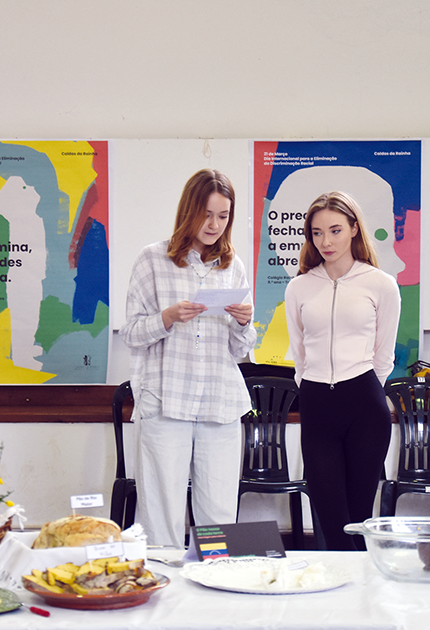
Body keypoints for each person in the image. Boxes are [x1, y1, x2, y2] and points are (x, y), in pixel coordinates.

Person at [121, 169, 257, 547]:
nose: (214, 225)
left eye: (223, 216)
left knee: (219, 513)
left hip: (220, 401)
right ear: (189, 211)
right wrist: (166, 318)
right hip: (167, 400)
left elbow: (239, 350)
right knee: (160, 510)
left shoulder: (233, 266)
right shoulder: (152, 259)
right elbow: (130, 334)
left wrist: (243, 324)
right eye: (206, 214)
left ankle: (214, 579)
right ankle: (163, 581)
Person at [284, 191, 401, 550]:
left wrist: (363, 388)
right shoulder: (299, 287)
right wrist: (313, 388)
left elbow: (384, 354)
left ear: (353, 229)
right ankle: (339, 582)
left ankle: (361, 583)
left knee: (358, 519)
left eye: (335, 230)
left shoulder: (381, 284)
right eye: (317, 233)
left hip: (364, 403)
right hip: (317, 403)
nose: (326, 242)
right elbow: (300, 353)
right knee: (331, 520)